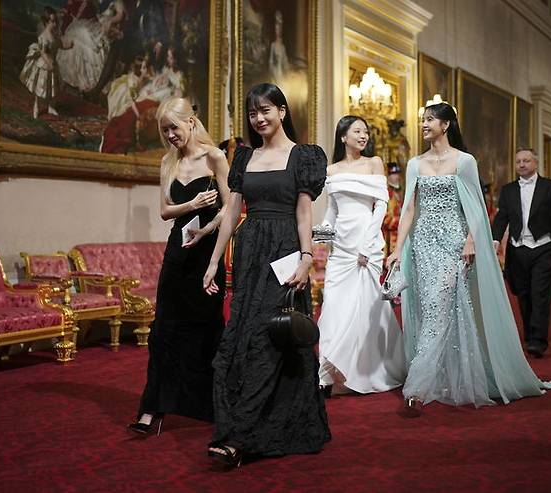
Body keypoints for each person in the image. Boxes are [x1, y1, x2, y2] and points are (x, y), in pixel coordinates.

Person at [386, 100, 551, 410]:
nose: (424, 124)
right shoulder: (415, 163)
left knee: (440, 303)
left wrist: (470, 240)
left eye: (430, 119)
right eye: (423, 120)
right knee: (430, 307)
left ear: (446, 124)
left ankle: (418, 386)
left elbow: (477, 209)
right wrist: (398, 249)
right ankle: (442, 375)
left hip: (454, 243)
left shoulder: (465, 161)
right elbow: (410, 208)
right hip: (423, 244)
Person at [203, 83, 330, 467]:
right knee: (241, 337)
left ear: (282, 111)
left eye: (266, 111)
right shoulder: (243, 158)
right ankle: (257, 426)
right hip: (250, 252)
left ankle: (239, 436)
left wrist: (307, 258)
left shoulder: (304, 157)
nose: (259, 119)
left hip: (286, 251)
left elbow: (304, 213)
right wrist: (213, 261)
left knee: (270, 337)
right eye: (253, 113)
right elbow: (232, 212)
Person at [128, 97, 230, 435]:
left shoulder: (216, 157)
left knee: (206, 329)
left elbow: (232, 211)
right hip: (177, 253)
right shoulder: (167, 163)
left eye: (174, 126)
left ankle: (212, 405)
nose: (170, 134)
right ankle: (152, 408)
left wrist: (206, 228)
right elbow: (165, 211)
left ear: (191, 121)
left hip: (207, 256)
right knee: (164, 332)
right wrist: (193, 203)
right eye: (164, 129)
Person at [317, 115, 405, 396]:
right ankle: (330, 371)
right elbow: (331, 210)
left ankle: (366, 368)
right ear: (343, 136)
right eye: (357, 131)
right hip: (340, 248)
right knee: (333, 304)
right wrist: (323, 239)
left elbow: (381, 206)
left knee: (364, 306)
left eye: (365, 132)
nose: (363, 135)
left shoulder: (374, 163)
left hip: (365, 243)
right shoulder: (331, 170)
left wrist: (367, 245)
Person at [491, 148, 551, 358]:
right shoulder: (508, 190)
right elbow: (502, 218)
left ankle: (538, 341)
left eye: (526, 160)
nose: (521, 164)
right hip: (518, 250)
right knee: (523, 294)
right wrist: (494, 239)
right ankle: (529, 336)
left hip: (544, 248)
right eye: (518, 161)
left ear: (535, 163)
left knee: (540, 294)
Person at [20, 7, 73, 119]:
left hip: (53, 64)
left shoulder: (55, 35)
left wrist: (69, 46)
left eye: (55, 21)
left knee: (53, 88)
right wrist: (49, 63)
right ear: (46, 22)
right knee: (41, 88)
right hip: (44, 65)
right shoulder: (43, 37)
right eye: (51, 21)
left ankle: (51, 106)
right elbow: (43, 53)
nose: (54, 24)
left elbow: (59, 45)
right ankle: (37, 106)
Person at [383, 162, 403, 254]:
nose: (397, 176)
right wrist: (399, 223)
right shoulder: (386, 193)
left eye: (397, 173)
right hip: (388, 237)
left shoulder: (399, 192)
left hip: (399, 235)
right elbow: (384, 217)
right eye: (393, 174)